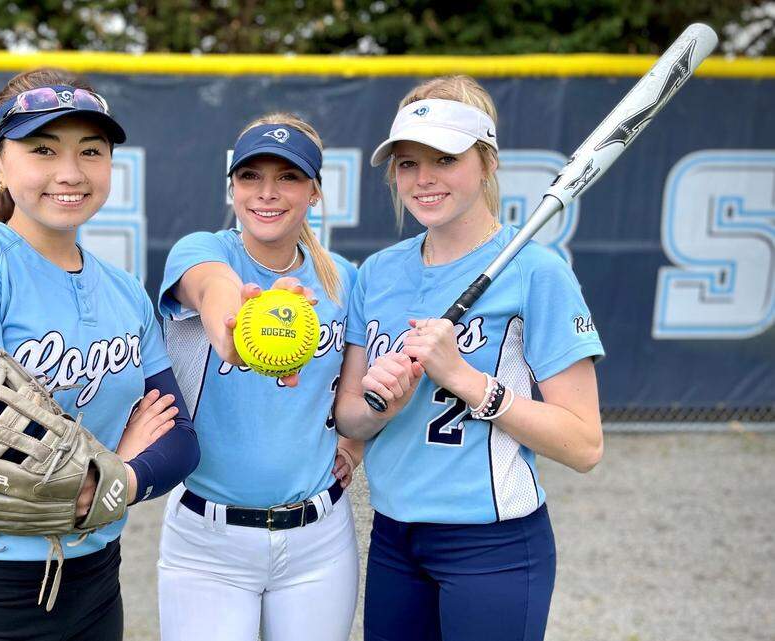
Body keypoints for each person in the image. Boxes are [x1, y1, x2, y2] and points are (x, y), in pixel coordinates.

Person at [0, 68, 199, 641]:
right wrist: (118, 462)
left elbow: (180, 439)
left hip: (95, 583)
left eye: (91, 150)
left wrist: (116, 480)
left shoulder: (124, 290)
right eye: (42, 149)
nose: (70, 172)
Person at [334, 75, 605, 641]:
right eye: (407, 163)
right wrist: (381, 408)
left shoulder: (538, 273)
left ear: (485, 162)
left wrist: (466, 380)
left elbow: (583, 445)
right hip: (393, 536)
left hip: (493, 545)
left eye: (444, 158)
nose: (423, 178)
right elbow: (353, 419)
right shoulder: (379, 273)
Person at [156, 113, 365, 641]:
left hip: (319, 540)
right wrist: (241, 331)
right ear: (231, 187)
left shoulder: (344, 280)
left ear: (315, 191)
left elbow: (354, 392)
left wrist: (355, 444)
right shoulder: (201, 251)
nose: (267, 192)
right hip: (208, 540)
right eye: (251, 176)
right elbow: (213, 292)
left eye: (288, 177)